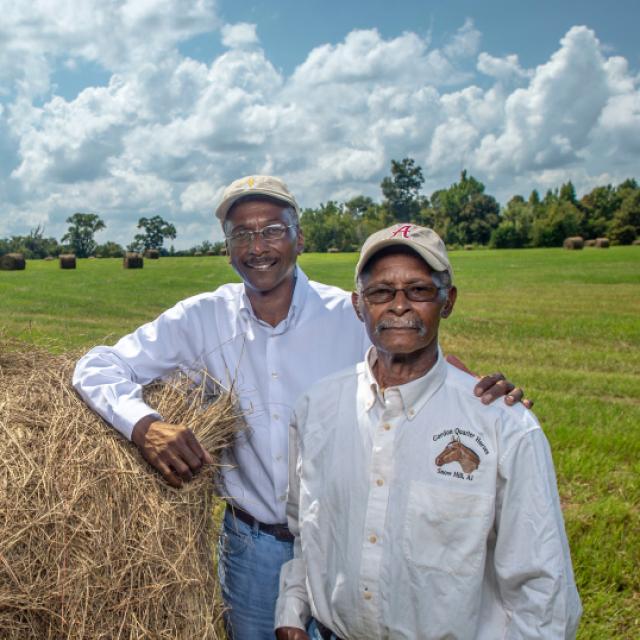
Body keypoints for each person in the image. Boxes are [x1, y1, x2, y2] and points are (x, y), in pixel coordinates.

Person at [73, 176, 529, 640]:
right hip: (255, 551)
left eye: (272, 229)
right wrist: (144, 425)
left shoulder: (352, 315)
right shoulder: (200, 319)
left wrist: (489, 403)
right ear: (227, 249)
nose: (258, 246)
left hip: (349, 540)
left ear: (299, 237)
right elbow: (96, 365)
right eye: (242, 234)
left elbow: (428, 378)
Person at [275, 224, 581, 639]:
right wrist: (293, 611)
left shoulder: (502, 425)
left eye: (418, 290)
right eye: (381, 292)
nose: (399, 306)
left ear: (447, 301)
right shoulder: (316, 409)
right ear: (358, 305)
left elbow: (543, 590)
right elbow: (304, 531)